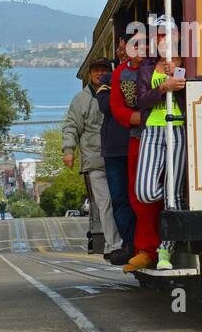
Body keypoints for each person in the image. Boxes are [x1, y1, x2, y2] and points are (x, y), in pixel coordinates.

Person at [123, 18, 187, 273]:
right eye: (159, 35)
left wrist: (179, 81)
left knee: (175, 191)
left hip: (179, 129)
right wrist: (163, 86)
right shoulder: (147, 67)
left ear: (178, 36)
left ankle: (165, 251)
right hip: (153, 130)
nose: (164, 39)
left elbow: (192, 94)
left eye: (168, 33)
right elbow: (142, 101)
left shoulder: (188, 65)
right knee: (145, 192)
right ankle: (175, 203)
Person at [61, 58, 120, 256]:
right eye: (96, 70)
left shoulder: (116, 91)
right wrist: (68, 150)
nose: (100, 73)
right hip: (95, 161)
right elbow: (71, 126)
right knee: (106, 203)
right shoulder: (80, 100)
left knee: (121, 200)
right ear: (90, 74)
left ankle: (123, 241)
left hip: (118, 155)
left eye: (104, 70)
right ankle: (113, 244)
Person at [109, 28, 149, 266]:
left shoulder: (158, 66)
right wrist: (140, 119)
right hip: (137, 137)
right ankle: (143, 247)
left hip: (164, 133)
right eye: (135, 44)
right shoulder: (120, 74)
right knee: (138, 194)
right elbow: (116, 108)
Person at [97, 36, 135, 265]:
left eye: (127, 48)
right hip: (113, 149)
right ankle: (129, 242)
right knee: (119, 198)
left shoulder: (144, 75)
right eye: (120, 49)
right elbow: (106, 105)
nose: (122, 52)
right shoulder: (108, 78)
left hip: (136, 142)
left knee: (138, 196)